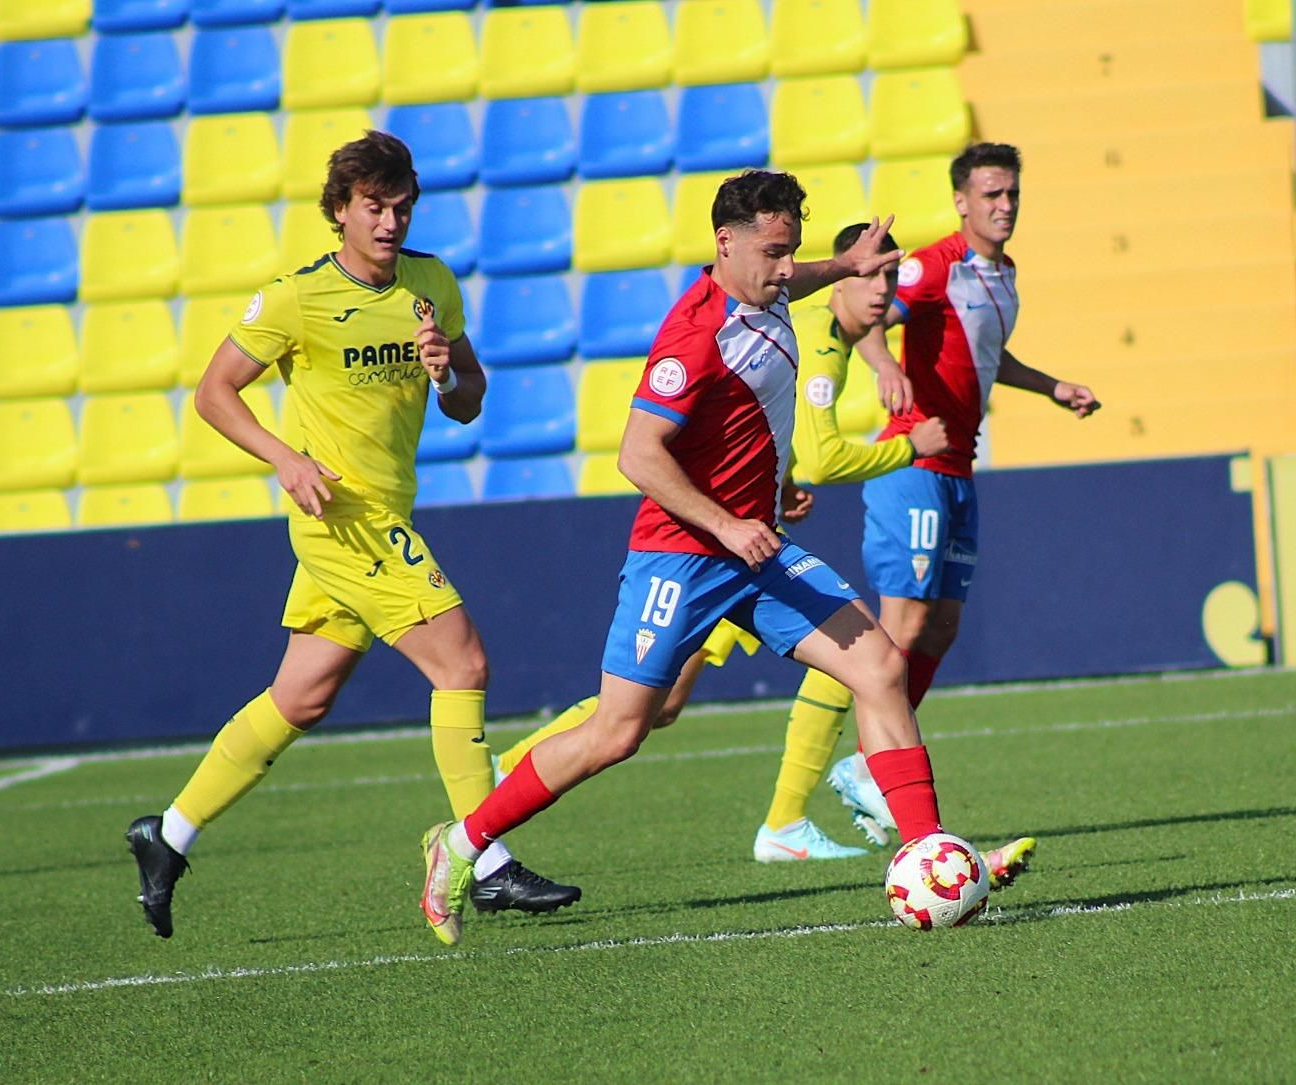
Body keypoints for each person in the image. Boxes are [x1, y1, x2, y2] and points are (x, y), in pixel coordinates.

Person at [421, 169, 957, 947]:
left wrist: (844, 267)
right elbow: (638, 455)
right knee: (619, 731)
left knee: (877, 666)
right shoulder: (693, 336)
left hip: (757, 548)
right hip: (682, 556)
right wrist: (728, 524)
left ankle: (929, 854)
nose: (784, 267)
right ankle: (461, 844)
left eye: (792, 252)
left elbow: (790, 285)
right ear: (725, 242)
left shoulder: (766, 290)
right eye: (773, 253)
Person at [124, 131, 578, 939]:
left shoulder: (430, 283)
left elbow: (470, 399)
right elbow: (214, 392)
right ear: (340, 211)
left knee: (303, 694)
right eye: (374, 207)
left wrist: (447, 373)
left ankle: (169, 834)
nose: (390, 222)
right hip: (342, 513)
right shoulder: (298, 298)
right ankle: (486, 859)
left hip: (388, 510)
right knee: (463, 662)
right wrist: (286, 459)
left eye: (402, 207)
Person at [494, 224, 1033, 882]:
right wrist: (906, 447)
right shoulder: (809, 345)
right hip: (704, 548)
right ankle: (504, 779)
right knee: (642, 714)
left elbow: (778, 426)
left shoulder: (818, 324)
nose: (881, 293)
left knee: (868, 663)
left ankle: (889, 839)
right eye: (870, 279)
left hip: (756, 543)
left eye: (890, 280)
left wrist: (780, 482)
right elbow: (825, 451)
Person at [825, 142, 1101, 844]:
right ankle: (873, 768)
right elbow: (864, 317)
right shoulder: (933, 264)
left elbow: (988, 355)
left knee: (941, 626)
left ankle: (870, 764)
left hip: (959, 470)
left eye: (1011, 194)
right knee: (902, 629)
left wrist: (1052, 387)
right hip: (912, 466)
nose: (1003, 205)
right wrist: (886, 367)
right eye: (989, 194)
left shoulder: (1003, 274)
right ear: (961, 200)